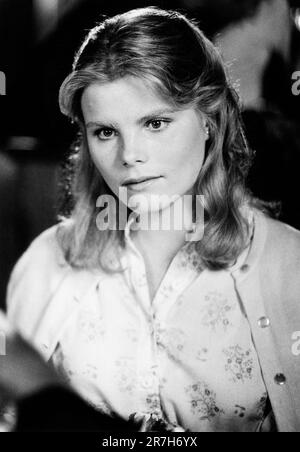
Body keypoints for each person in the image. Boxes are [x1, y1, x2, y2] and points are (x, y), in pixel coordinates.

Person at [5, 7, 300, 432]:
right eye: (105, 131)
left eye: (156, 123)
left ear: (210, 121)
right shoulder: (46, 263)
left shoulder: (289, 264)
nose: (129, 156)